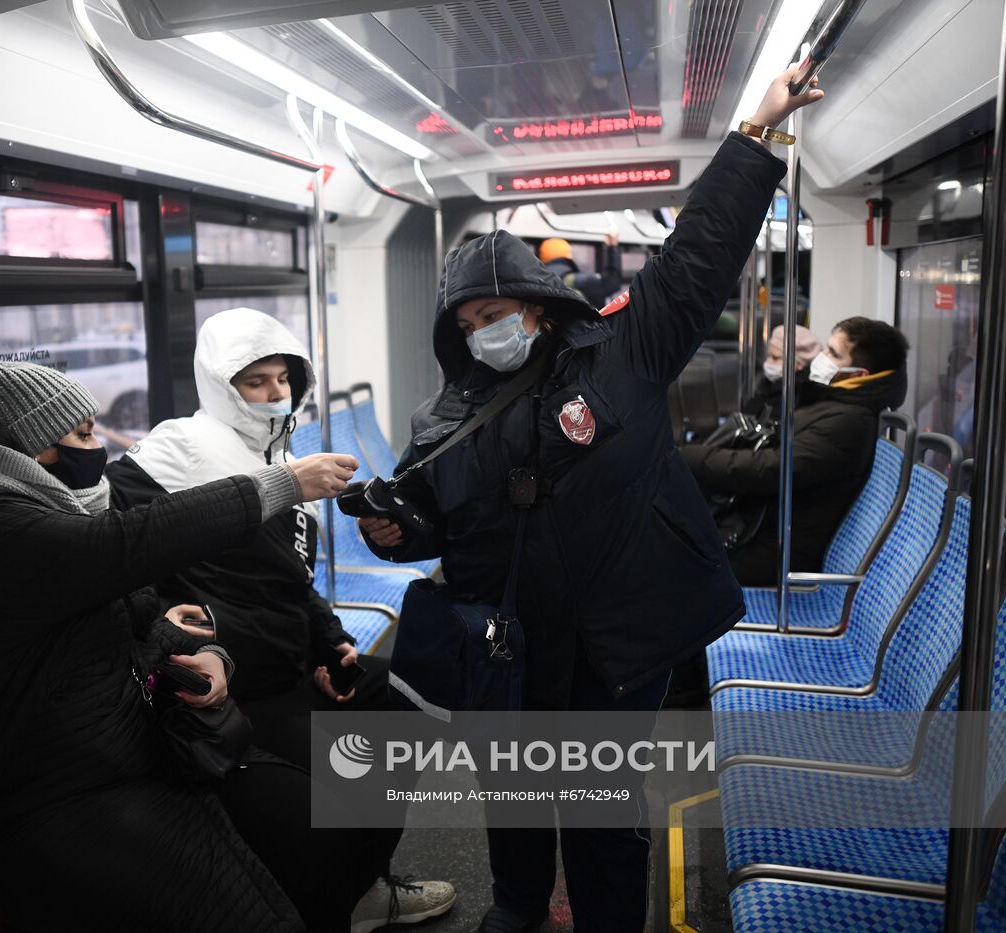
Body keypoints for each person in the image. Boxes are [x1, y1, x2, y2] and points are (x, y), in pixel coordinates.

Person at [357, 67, 826, 933]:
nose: (482, 333)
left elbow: (696, 259)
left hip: (619, 627)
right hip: (514, 633)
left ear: (536, 309)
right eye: (466, 324)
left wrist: (754, 136)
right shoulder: (443, 413)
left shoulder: (624, 359)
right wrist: (396, 532)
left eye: (494, 312)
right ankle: (518, 902)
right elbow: (434, 522)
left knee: (600, 791)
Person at [0, 358, 374, 932]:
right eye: (82, 434)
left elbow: (134, 616)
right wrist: (282, 485)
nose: (98, 448)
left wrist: (212, 656)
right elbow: (126, 545)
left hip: (135, 747)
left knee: (323, 836)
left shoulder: (49, 514)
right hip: (47, 798)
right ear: (30, 450)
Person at [106, 307, 457, 933]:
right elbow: (127, 551)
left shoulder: (281, 453)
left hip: (291, 661)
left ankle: (360, 891)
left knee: (407, 711)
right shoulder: (177, 449)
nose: (275, 394)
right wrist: (171, 628)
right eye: (255, 381)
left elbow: (293, 582)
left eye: (283, 380)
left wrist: (331, 643)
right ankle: (333, 899)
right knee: (345, 789)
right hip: (234, 682)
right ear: (220, 385)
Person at [682, 316, 909, 585]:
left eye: (833, 354)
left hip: (774, 552)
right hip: (758, 528)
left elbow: (770, 468)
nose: (821, 358)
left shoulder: (849, 423)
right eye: (826, 348)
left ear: (859, 375)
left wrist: (691, 457)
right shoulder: (831, 404)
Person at [537, 232, 622, 308]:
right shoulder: (578, 280)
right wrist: (613, 246)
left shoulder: (537, 280)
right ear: (568, 255)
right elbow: (612, 283)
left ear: (542, 258)